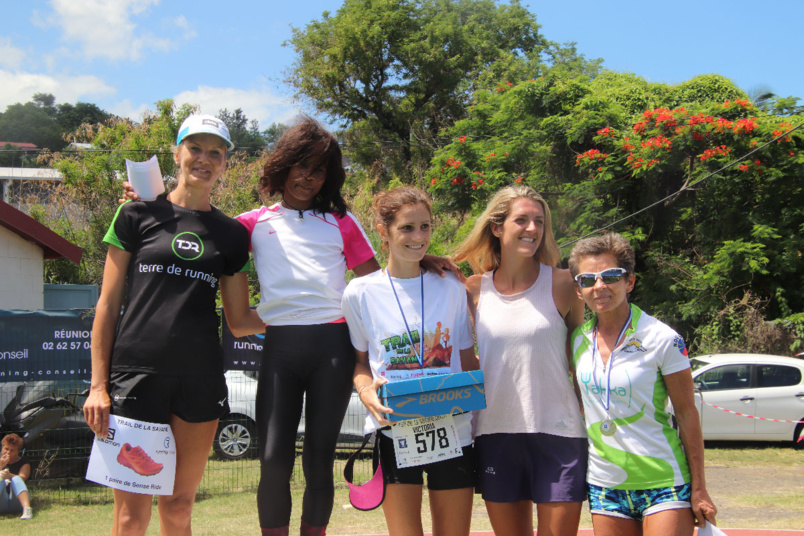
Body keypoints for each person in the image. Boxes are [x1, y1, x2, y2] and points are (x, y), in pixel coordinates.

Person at [84, 114, 252, 536]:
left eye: (216, 152)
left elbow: (240, 320)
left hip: (200, 379)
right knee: (130, 517)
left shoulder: (232, 234)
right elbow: (107, 305)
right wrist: (98, 386)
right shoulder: (136, 212)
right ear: (177, 154)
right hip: (136, 376)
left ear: (225, 163)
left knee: (178, 508)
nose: (204, 159)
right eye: (195, 148)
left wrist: (312, 313)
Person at [342, 186, 479, 536]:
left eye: (425, 226)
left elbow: (466, 359)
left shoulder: (451, 287)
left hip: (453, 427)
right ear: (384, 231)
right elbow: (359, 363)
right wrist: (366, 392)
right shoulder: (360, 293)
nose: (418, 237)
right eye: (407, 228)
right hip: (395, 428)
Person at [453, 185, 587, 536]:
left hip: (560, 433)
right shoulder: (473, 289)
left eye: (539, 221)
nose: (532, 228)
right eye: (522, 220)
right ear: (497, 227)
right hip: (495, 433)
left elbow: (580, 359)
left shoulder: (564, 284)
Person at [568, 232, 717, 535]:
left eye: (610, 276)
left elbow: (687, 414)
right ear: (579, 289)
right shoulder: (577, 340)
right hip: (605, 483)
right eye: (588, 279)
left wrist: (700, 488)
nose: (599, 286)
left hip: (663, 481)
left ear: (630, 281)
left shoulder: (662, 338)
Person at [0, 433, 33, 520]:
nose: (8, 452)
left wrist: (9, 476)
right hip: (1, 501)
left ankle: (27, 509)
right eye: (6, 449)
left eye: (12, 450)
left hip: (16, 501)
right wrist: (1, 466)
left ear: (17, 452)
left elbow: (23, 477)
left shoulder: (24, 462)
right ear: (2, 447)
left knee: (16, 478)